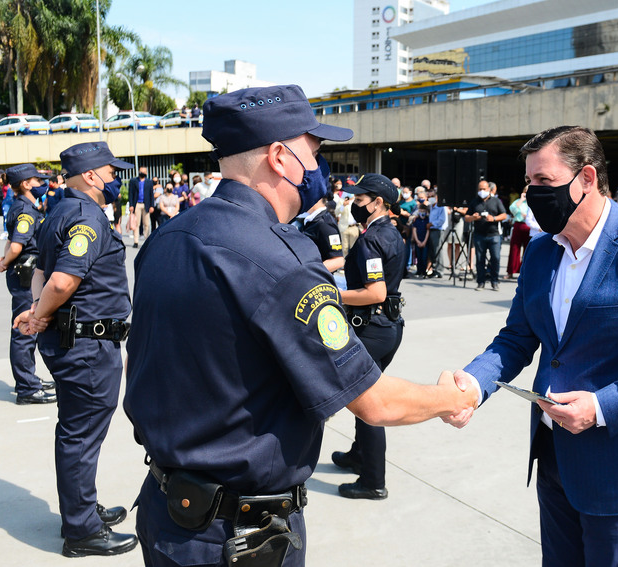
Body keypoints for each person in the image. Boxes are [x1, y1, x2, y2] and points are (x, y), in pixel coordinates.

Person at [122, 85, 478, 567]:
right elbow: (374, 401)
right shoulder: (280, 260)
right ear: (279, 157)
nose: (317, 170)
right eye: (312, 153)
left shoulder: (166, 239)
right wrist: (452, 398)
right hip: (238, 536)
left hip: (166, 512)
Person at [443, 126, 618, 566]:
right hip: (553, 455)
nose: (532, 192)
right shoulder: (540, 252)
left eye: (544, 182)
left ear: (586, 178)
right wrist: (474, 385)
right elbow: (518, 337)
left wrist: (602, 406)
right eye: (529, 182)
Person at [13, 142, 137, 557]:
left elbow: (42, 272)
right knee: (81, 436)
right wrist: (40, 314)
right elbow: (62, 282)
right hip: (86, 344)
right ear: (90, 176)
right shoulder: (85, 216)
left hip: (74, 340)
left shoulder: (58, 212)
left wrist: (37, 311)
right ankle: (82, 531)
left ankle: (82, 509)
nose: (115, 179)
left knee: (78, 432)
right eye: (110, 171)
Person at [332, 173, 407, 500]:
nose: (353, 204)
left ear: (377, 203)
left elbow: (375, 292)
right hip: (386, 326)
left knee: (368, 403)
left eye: (359, 200)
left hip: (373, 327)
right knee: (365, 397)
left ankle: (373, 481)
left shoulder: (372, 239)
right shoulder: (390, 233)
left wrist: (332, 293)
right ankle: (359, 455)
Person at [0, 164, 56, 404]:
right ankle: (27, 388)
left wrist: (4, 259)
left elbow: (11, 240)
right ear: (26, 184)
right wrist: (6, 261)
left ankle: (29, 379)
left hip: (23, 271)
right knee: (25, 331)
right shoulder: (27, 211)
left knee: (27, 329)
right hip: (26, 275)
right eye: (37, 181)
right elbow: (17, 245)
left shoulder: (21, 206)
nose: (41, 184)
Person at [464, 179, 507, 290]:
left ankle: (495, 281)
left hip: (494, 235)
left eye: (484, 189)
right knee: (480, 259)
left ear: (489, 189)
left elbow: (504, 215)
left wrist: (493, 218)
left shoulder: (496, 201)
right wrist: (474, 217)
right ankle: (480, 282)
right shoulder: (474, 202)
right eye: (480, 189)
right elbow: (466, 218)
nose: (482, 191)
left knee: (495, 258)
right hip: (479, 235)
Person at [302, 195, 345, 273]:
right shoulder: (312, 219)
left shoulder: (325, 223)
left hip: (314, 280)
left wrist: (308, 273)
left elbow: (338, 260)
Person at [507, 186, 531, 278]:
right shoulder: (518, 201)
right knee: (514, 248)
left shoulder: (534, 201)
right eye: (525, 191)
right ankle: (510, 271)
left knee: (527, 250)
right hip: (518, 224)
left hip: (529, 226)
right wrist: (521, 200)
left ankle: (525, 272)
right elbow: (512, 209)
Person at [128, 166, 153, 248]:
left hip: (146, 204)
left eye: (144, 171)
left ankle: (146, 240)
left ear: (146, 173)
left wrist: (151, 205)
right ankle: (136, 241)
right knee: (136, 223)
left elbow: (151, 194)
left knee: (146, 224)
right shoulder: (133, 181)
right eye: (141, 171)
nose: (142, 173)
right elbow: (130, 193)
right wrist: (131, 205)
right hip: (137, 204)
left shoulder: (149, 182)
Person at [426, 187, 447, 278]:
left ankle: (440, 270)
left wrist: (432, 224)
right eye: (429, 196)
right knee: (432, 250)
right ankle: (434, 268)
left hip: (438, 229)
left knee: (438, 249)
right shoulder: (431, 206)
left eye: (432, 196)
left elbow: (442, 220)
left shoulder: (441, 207)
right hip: (431, 229)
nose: (430, 198)